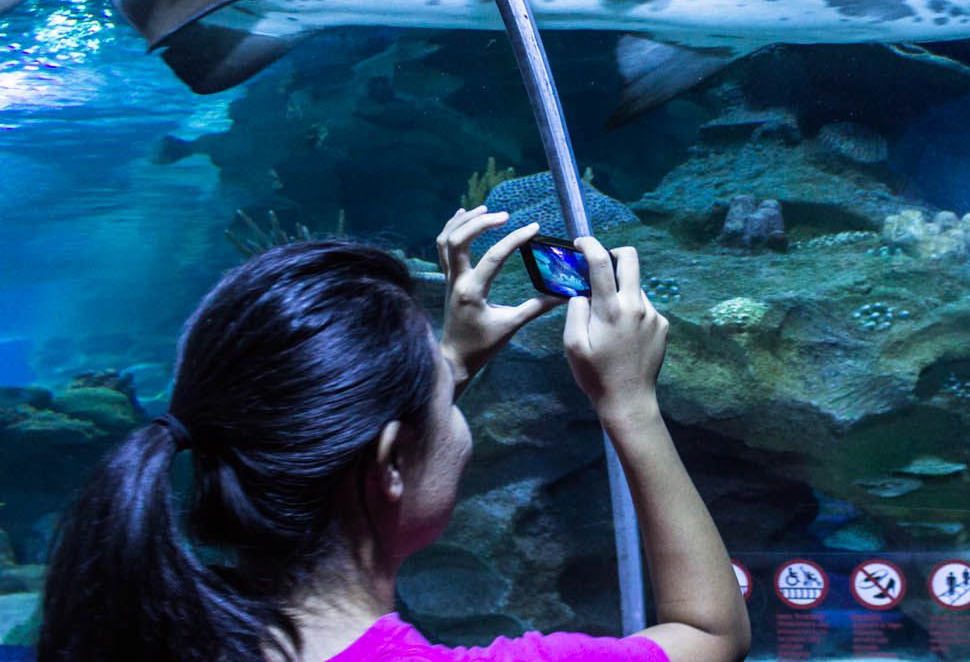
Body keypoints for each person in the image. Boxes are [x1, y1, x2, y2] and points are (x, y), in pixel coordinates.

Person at [37, 206, 750, 662]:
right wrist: (630, 404)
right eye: (452, 402)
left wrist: (441, 368)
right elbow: (711, 636)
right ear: (389, 464)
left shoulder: (153, 630)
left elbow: (362, 460)